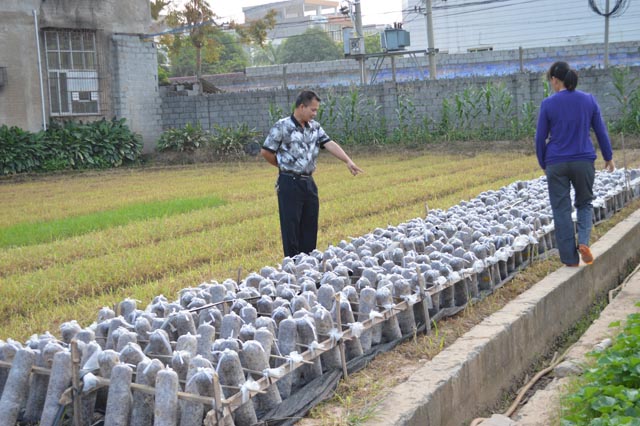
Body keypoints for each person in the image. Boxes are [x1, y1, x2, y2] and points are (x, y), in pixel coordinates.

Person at [261, 90, 364, 258]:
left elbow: (329, 143)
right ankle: (293, 268)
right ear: (302, 107)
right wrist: (284, 166)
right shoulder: (282, 126)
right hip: (289, 182)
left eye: (316, 110)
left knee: (310, 226)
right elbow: (266, 152)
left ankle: (308, 265)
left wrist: (347, 161)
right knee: (291, 228)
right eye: (313, 110)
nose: (315, 114)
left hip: (308, 182)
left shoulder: (314, 127)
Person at [535, 61, 615, 267]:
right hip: (583, 160)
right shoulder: (588, 100)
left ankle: (570, 260)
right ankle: (584, 243)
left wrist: (544, 162)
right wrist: (608, 156)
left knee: (561, 210)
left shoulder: (548, 104)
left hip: (556, 163)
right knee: (584, 203)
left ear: (555, 80)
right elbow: (600, 131)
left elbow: (540, 138)